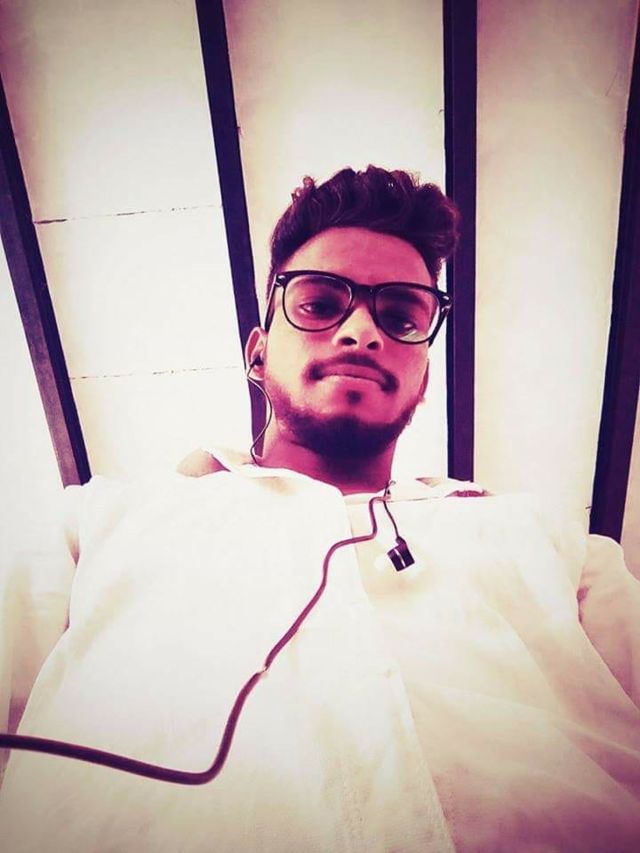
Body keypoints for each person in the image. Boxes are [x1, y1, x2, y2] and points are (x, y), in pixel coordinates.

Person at [0, 166, 639, 852]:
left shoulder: (554, 543)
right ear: (257, 352)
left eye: (402, 317)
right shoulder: (98, 524)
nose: (361, 331)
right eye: (318, 302)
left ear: (423, 376)